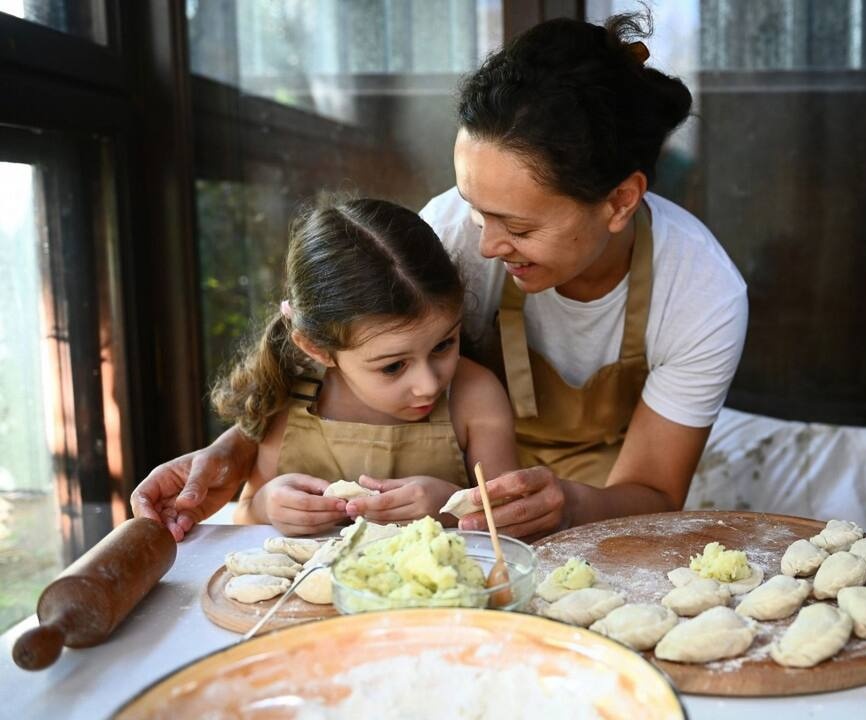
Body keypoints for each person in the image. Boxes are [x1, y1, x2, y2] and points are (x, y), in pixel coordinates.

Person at [133, 11, 747, 541]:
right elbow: (346, 341)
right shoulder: (453, 230)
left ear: (619, 202)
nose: (482, 243)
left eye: (518, 227)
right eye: (476, 208)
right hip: (458, 497)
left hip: (600, 510)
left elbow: (656, 495)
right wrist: (231, 454)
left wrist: (565, 501)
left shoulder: (700, 294)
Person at [189, 197, 517, 537]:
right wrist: (269, 504)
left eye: (444, 345)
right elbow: (246, 518)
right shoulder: (292, 398)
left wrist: (451, 506)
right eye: (392, 367)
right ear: (317, 349)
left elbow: (509, 528)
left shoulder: (476, 397)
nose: (428, 385)